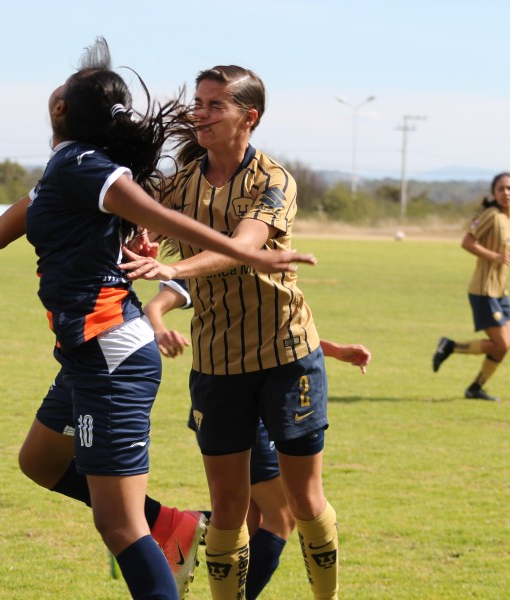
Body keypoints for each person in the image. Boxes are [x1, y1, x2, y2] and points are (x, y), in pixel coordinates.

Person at [0, 39, 314, 600]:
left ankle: (165, 538)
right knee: (40, 460)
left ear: (61, 110)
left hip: (110, 353)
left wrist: (250, 253)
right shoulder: (64, 169)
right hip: (85, 353)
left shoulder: (84, 165)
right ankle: (171, 525)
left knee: (120, 526)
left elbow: (153, 213)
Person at [119, 65, 340, 600]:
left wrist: (173, 269)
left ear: (250, 117)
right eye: (199, 103)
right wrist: (139, 245)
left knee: (304, 501)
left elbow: (242, 245)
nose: (201, 114)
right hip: (217, 363)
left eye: (215, 105)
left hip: (286, 353)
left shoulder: (273, 180)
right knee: (227, 509)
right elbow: (137, 228)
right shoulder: (181, 183)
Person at [143, 278, 371, 599]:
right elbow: (154, 306)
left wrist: (332, 350)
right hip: (232, 395)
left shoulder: (258, 265)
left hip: (268, 390)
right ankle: (180, 528)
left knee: (248, 519)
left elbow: (270, 331)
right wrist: (159, 330)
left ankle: (185, 528)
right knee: (279, 516)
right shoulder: (201, 263)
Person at [431, 172, 510, 402]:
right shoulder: (490, 216)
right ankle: (450, 346)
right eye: (501, 189)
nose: (506, 193)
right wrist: (494, 257)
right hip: (483, 291)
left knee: (504, 346)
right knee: (500, 343)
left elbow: (507, 252)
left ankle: (475, 387)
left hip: (501, 292)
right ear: (494, 193)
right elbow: (467, 242)